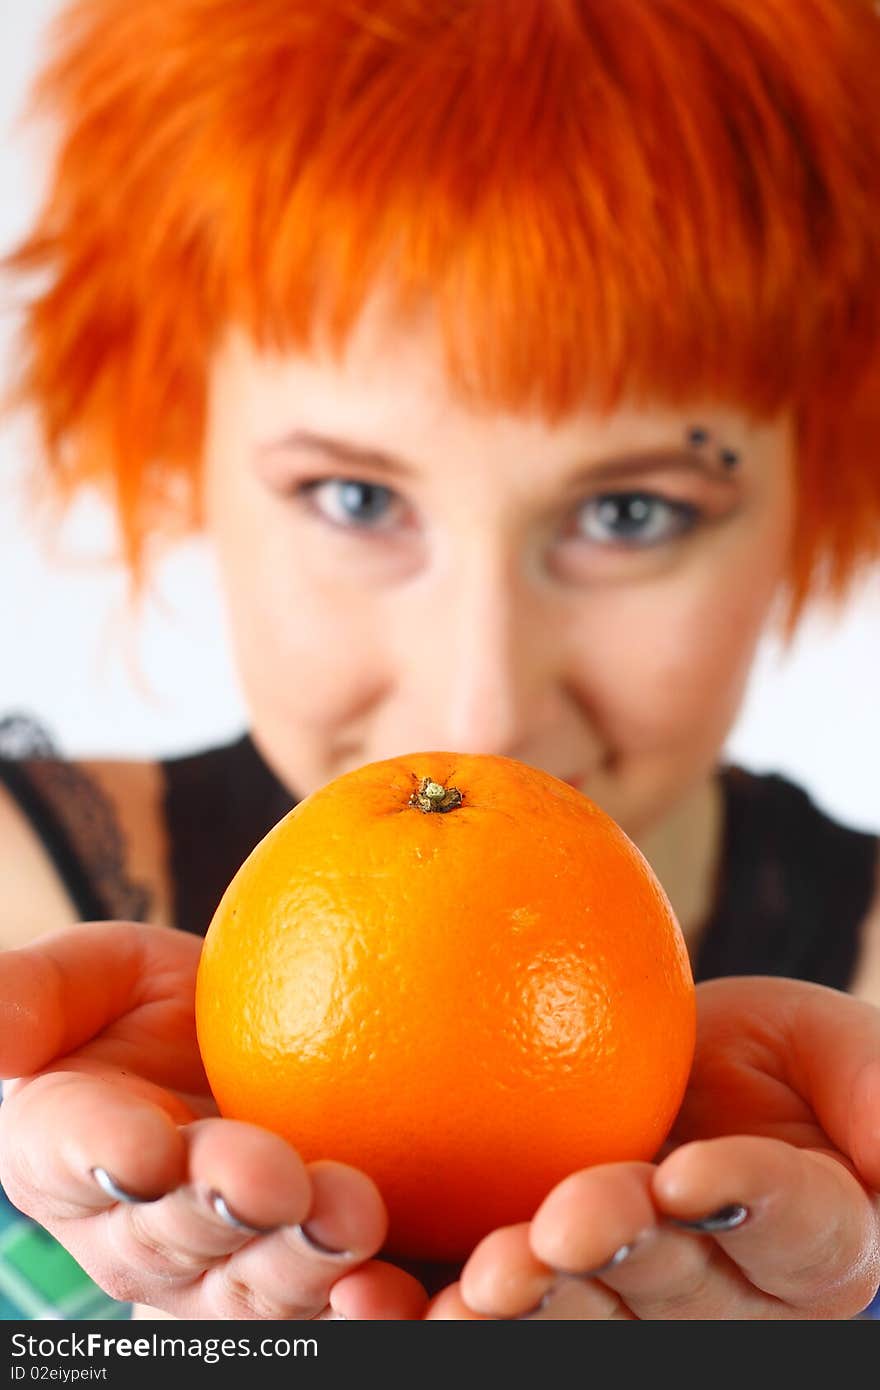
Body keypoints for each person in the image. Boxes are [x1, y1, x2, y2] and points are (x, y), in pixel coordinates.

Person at [0, 0, 879, 1322]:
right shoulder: (27, 941)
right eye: (356, 497)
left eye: (630, 512)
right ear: (180, 436)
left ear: (822, 476)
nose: (479, 704)